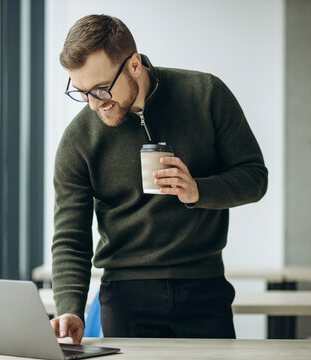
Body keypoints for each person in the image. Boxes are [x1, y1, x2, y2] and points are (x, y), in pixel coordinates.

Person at [49, 14, 268, 344]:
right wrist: (69, 308)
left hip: (204, 285)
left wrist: (198, 190)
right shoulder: (79, 138)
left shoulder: (206, 94)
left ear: (134, 64)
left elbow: (254, 178)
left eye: (101, 89)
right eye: (81, 92)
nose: (94, 104)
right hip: (124, 295)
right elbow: (70, 235)